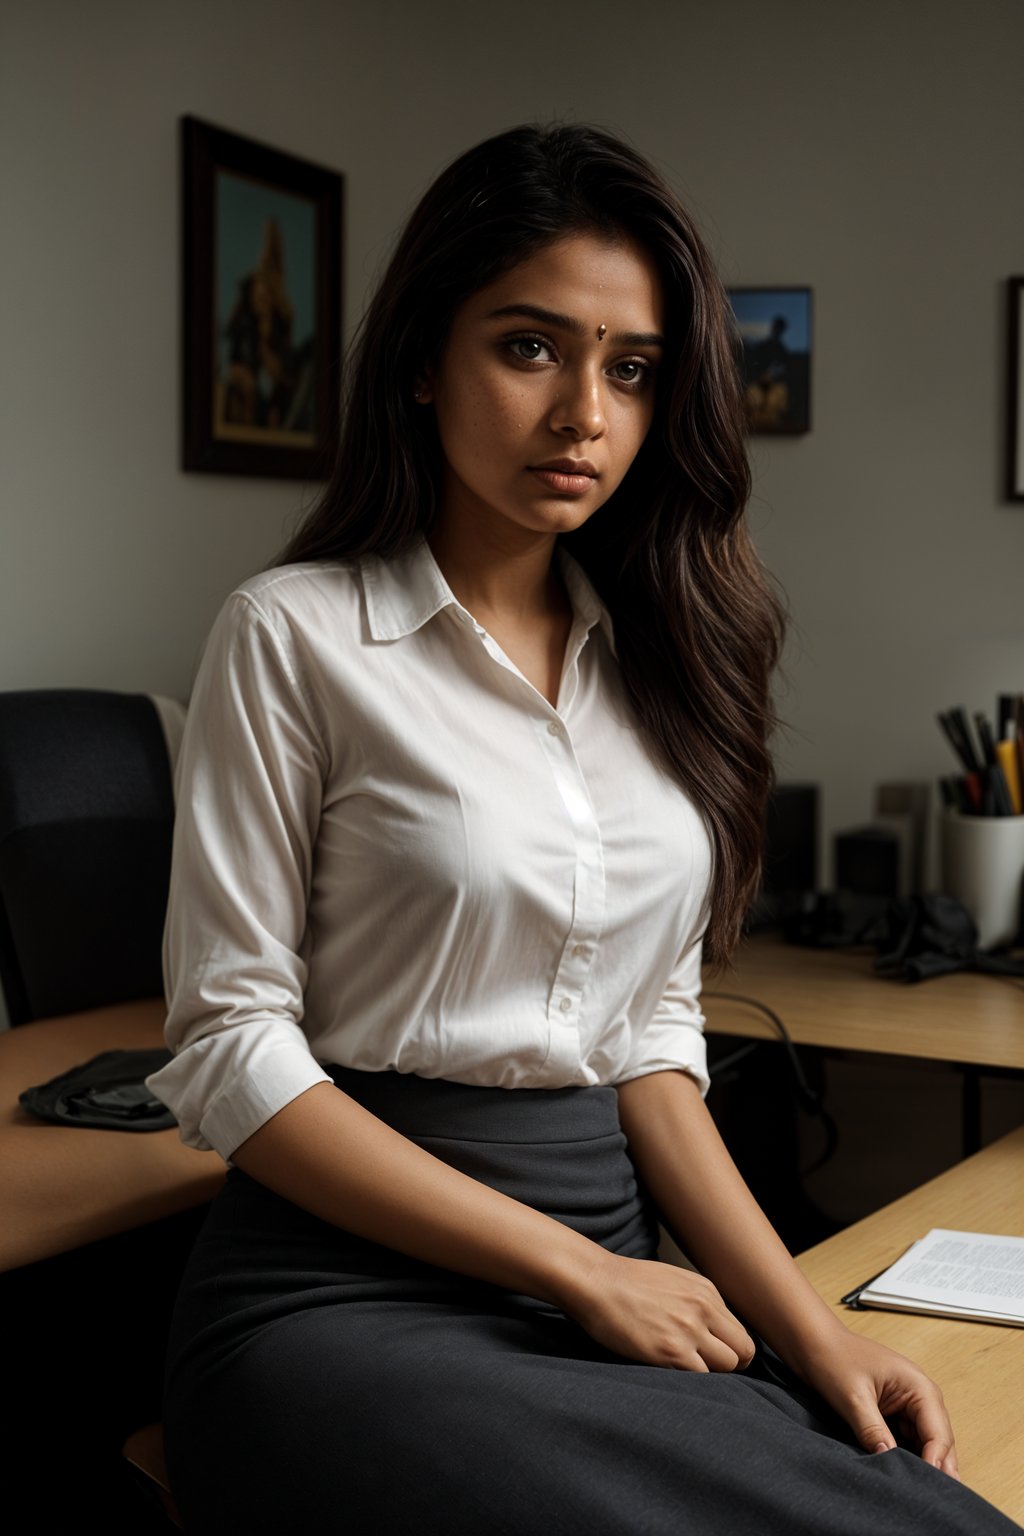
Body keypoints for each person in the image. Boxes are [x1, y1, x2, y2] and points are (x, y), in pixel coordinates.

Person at [147, 123, 1018, 1536]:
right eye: (532, 348)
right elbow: (231, 1051)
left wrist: (811, 1328)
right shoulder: (292, 634)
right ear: (426, 359)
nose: (586, 418)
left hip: (611, 1292)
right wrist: (578, 1271)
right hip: (341, 1305)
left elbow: (651, 1052)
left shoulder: (662, 660)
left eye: (631, 370)